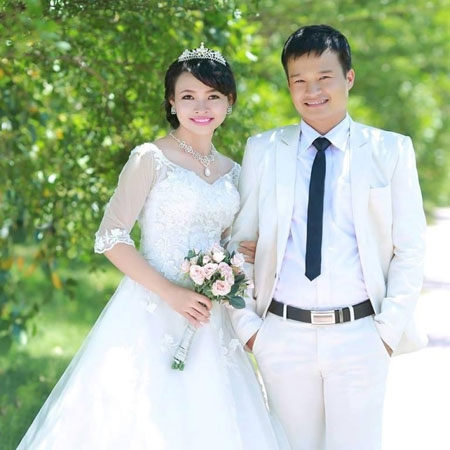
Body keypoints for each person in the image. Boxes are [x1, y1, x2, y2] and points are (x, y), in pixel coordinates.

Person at [16, 43, 290, 450]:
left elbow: (227, 241)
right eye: (188, 96)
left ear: (229, 102)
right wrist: (171, 293)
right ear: (171, 102)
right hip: (150, 308)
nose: (201, 107)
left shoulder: (234, 172)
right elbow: (111, 236)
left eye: (213, 96)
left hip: (210, 317)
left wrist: (238, 255)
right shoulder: (150, 157)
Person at [229, 24, 427, 450]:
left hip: (361, 336)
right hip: (281, 335)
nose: (312, 91)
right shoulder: (264, 149)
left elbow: (410, 250)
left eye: (324, 77)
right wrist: (250, 329)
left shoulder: (390, 150)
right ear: (289, 86)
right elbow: (238, 246)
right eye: (299, 81)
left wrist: (385, 333)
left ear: (348, 78)